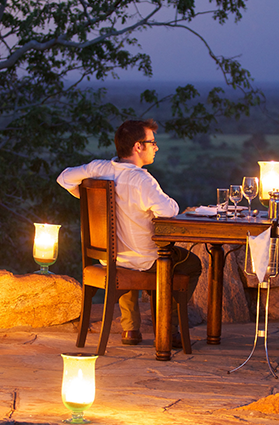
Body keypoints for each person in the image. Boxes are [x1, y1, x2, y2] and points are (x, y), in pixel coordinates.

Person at [57, 119, 201, 346]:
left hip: (109, 259)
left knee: (125, 258)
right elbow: (169, 210)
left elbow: (64, 178)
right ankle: (168, 330)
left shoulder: (99, 169)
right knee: (190, 264)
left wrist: (84, 194)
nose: (156, 147)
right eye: (152, 142)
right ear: (137, 146)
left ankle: (130, 329)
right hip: (143, 261)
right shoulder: (141, 180)